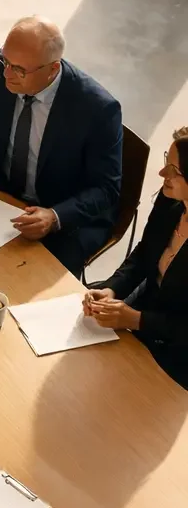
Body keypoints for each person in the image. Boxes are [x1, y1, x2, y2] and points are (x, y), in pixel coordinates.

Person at [0, 16, 122, 276]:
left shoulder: (98, 108)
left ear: (53, 69)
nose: (6, 73)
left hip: (64, 217)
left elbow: (105, 189)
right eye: (5, 60)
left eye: (18, 69)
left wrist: (55, 217)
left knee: (28, 285)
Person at [84, 129, 188, 389]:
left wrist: (136, 320)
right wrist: (111, 289)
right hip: (146, 306)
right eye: (166, 162)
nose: (162, 173)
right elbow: (144, 254)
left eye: (173, 170)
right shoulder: (171, 200)